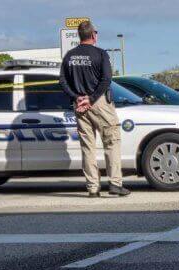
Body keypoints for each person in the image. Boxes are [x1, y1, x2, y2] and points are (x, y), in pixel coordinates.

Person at [59, 20, 130, 197]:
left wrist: (77, 98)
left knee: (87, 147)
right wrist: (91, 98)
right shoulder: (100, 54)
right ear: (93, 35)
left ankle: (92, 187)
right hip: (99, 103)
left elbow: (62, 81)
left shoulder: (69, 56)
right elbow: (106, 80)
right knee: (111, 142)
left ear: (79, 36)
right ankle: (115, 184)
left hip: (79, 104)